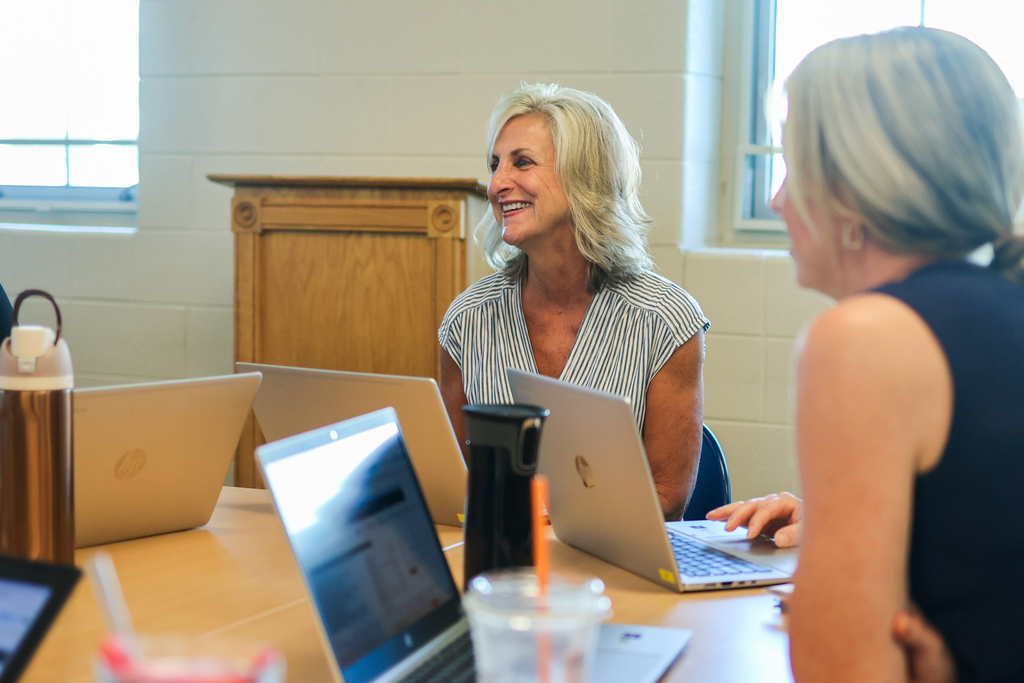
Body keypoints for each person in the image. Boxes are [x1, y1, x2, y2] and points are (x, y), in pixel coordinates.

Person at [706, 27, 1024, 683]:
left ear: (854, 193)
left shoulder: (865, 338)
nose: (775, 199)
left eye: (793, 168)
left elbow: (838, 669)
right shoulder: (1002, 308)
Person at [438, 84, 709, 520]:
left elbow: (666, 497)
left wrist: (556, 522)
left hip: (614, 570)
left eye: (522, 162)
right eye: (495, 165)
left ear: (584, 175)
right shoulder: (467, 319)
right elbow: (457, 486)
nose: (496, 184)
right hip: (502, 567)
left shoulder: (665, 319)